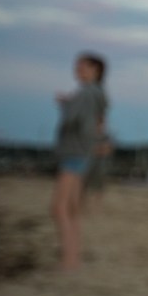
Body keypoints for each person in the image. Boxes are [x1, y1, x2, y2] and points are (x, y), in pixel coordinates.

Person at [51, 52, 108, 271]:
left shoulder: (87, 93)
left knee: (59, 208)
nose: (77, 70)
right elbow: (98, 123)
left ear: (95, 69)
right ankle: (73, 258)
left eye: (82, 66)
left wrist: (66, 104)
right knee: (73, 209)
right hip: (84, 153)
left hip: (74, 152)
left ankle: (69, 260)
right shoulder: (99, 94)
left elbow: (75, 121)